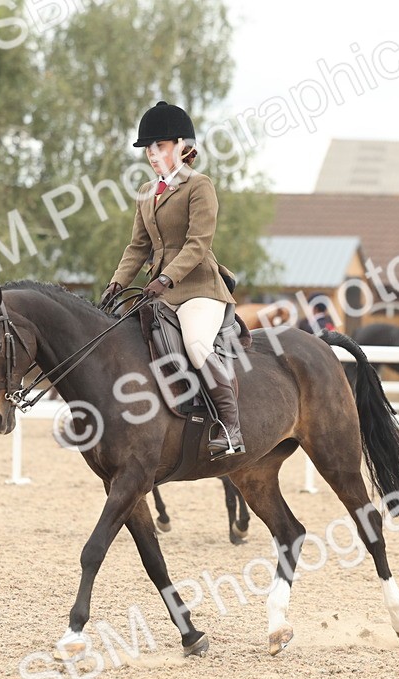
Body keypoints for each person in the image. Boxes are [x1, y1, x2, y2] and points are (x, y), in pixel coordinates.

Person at [101, 101, 244, 460]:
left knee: (196, 344)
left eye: (159, 146)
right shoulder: (147, 193)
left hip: (199, 289)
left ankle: (230, 426)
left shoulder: (200, 186)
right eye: (148, 148)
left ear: (182, 146)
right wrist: (116, 284)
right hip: (160, 292)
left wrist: (166, 276)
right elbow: (137, 246)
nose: (152, 154)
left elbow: (198, 244)